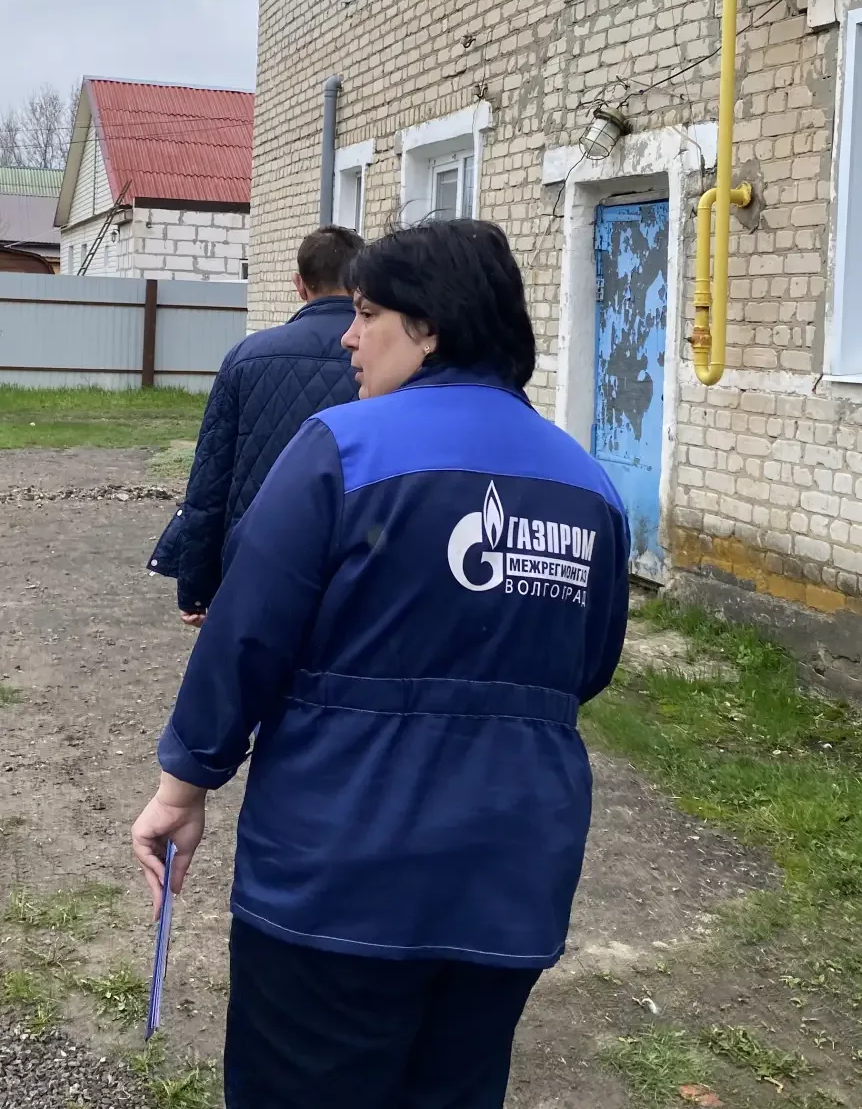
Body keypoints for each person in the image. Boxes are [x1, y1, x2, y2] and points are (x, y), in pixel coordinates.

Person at [131, 219, 631, 1109]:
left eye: (367, 315)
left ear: (429, 326)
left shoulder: (342, 448)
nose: (348, 339)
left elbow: (245, 635)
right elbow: (586, 667)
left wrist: (183, 786)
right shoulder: (587, 485)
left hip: (337, 876)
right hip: (507, 881)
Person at [149, 225, 362, 626]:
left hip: (257, 561)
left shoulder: (247, 356)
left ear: (299, 285)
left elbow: (209, 483)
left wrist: (197, 589)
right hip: (354, 562)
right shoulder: (389, 359)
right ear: (361, 285)